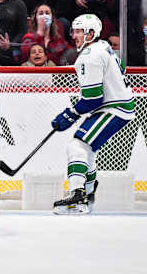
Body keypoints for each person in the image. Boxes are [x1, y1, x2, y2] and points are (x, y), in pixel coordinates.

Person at [51, 14, 135, 215]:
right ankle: (86, 196)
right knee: (86, 149)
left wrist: (69, 114)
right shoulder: (104, 47)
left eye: (79, 31)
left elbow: (92, 99)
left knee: (77, 145)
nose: (74, 36)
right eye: (74, 31)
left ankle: (78, 195)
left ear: (91, 33)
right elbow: (121, 69)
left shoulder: (89, 56)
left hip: (114, 108)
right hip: (117, 105)